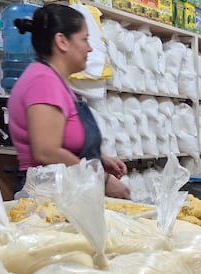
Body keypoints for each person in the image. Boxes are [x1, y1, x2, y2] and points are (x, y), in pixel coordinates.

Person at [8, 3, 130, 198]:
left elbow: (64, 139)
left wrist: (98, 160)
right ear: (62, 41)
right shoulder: (43, 82)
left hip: (67, 190)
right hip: (49, 195)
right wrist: (102, 180)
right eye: (85, 39)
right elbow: (47, 152)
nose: (89, 48)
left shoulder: (55, 80)